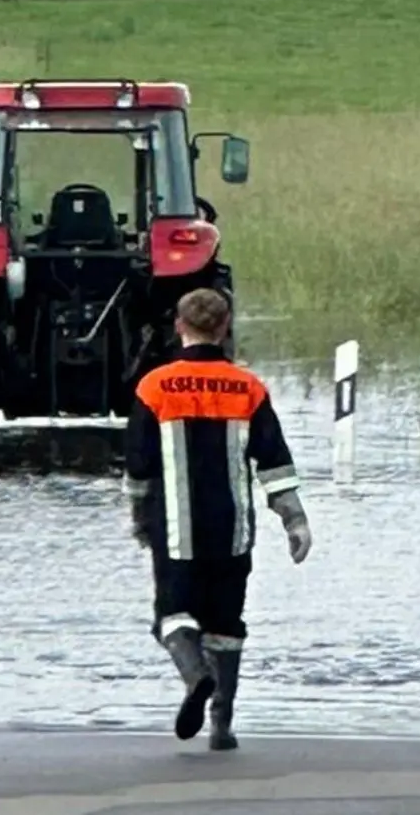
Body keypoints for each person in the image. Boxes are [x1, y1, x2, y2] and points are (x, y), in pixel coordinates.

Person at [122, 288, 314, 751]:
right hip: (233, 532)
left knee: (171, 616)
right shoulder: (248, 387)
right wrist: (295, 521)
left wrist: (139, 519)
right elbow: (274, 461)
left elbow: (139, 467)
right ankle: (222, 726)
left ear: (179, 327)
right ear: (225, 327)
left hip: (176, 531)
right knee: (227, 625)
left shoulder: (153, 387)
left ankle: (194, 676)